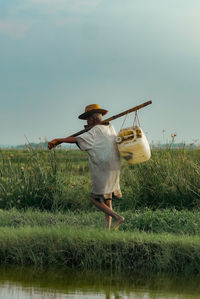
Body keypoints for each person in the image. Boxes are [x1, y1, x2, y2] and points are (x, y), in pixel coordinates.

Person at [48, 104, 125, 230]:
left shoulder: (94, 131)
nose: (86, 122)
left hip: (103, 168)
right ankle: (108, 229)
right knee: (107, 199)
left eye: (88, 119)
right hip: (114, 166)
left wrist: (58, 140)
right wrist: (89, 129)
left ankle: (117, 217)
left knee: (94, 199)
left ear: (93, 119)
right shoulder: (110, 127)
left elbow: (78, 140)